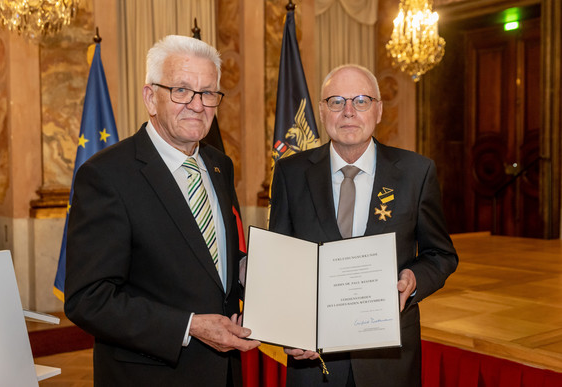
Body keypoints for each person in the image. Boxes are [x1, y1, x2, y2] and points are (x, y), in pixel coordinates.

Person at [64, 35, 260, 387]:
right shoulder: (106, 175)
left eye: (208, 93)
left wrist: (255, 273)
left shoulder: (219, 165)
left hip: (224, 373)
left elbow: (214, 259)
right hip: (151, 375)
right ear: (150, 97)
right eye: (182, 90)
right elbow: (87, 298)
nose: (197, 105)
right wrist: (189, 326)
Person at [268, 64, 458, 386]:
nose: (348, 112)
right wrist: (289, 328)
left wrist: (413, 279)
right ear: (322, 111)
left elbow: (440, 255)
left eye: (361, 100)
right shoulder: (290, 174)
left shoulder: (416, 172)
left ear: (379, 110)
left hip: (388, 360)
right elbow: (279, 264)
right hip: (315, 363)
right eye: (336, 101)